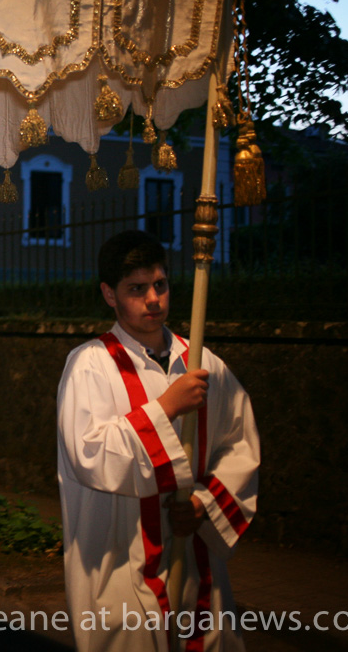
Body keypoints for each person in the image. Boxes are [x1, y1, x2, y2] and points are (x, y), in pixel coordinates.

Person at [56, 230, 259, 651]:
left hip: (194, 561)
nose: (153, 299)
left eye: (160, 285)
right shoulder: (89, 366)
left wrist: (204, 502)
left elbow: (239, 445)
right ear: (109, 294)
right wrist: (164, 407)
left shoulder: (205, 364)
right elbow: (89, 456)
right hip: (119, 562)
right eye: (137, 289)